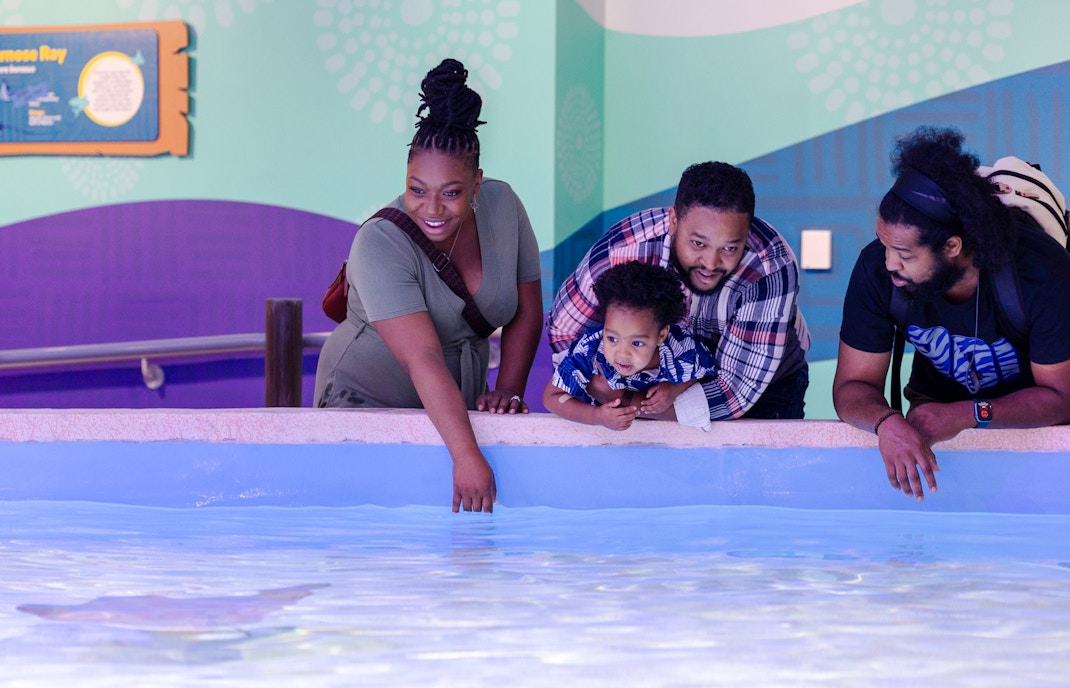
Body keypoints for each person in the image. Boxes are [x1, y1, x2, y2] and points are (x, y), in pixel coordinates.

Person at [314, 59, 543, 514]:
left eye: (451, 192)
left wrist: (508, 393)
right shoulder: (378, 243)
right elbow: (423, 357)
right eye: (417, 189)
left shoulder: (503, 205)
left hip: (455, 406)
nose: (431, 208)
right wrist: (466, 454)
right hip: (366, 400)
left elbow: (527, 309)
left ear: (477, 182)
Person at [833, 126, 1070, 502]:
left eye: (904, 254)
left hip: (1033, 423)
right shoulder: (876, 269)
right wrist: (887, 423)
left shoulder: (1040, 272)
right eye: (884, 244)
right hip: (937, 412)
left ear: (952, 246)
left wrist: (968, 413)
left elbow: (1060, 398)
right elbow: (851, 387)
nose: (888, 263)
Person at [546, 161, 810, 427]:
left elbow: (734, 392)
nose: (710, 262)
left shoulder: (769, 267)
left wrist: (626, 401)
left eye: (730, 248)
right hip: (632, 386)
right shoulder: (622, 250)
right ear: (673, 221)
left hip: (760, 386)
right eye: (698, 243)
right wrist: (596, 389)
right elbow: (565, 332)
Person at [543, 262, 717, 431]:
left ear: (661, 336)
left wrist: (674, 389)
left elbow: (706, 370)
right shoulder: (590, 351)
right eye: (612, 338)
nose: (622, 354)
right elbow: (551, 397)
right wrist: (598, 416)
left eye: (637, 343)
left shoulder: (680, 348)